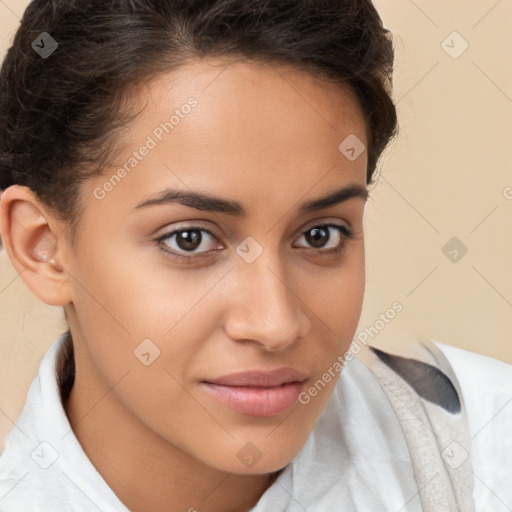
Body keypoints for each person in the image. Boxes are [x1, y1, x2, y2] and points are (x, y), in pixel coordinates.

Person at [0, 1, 510, 511]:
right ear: (42, 248)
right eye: (190, 240)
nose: (275, 324)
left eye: (320, 235)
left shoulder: (490, 453)